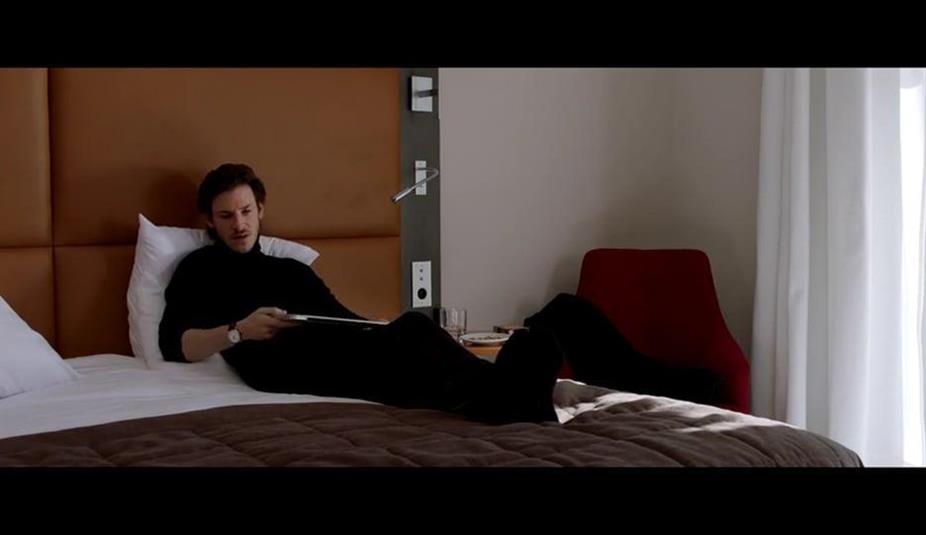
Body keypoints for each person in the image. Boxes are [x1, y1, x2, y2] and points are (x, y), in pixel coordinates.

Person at [159, 163, 721, 425]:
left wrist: (382, 331)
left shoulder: (290, 269)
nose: (239, 224)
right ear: (209, 220)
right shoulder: (198, 270)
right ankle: (517, 391)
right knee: (422, 335)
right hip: (292, 368)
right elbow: (174, 344)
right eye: (226, 216)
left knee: (550, 315)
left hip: (345, 346)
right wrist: (238, 332)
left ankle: (525, 384)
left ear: (261, 209)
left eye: (247, 211)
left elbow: (345, 318)